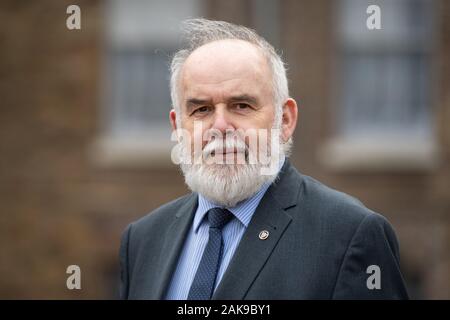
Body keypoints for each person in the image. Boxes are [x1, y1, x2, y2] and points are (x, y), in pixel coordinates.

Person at [119, 18, 409, 300]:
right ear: (178, 127)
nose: (220, 126)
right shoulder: (143, 241)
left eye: (241, 105)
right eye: (201, 110)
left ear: (285, 120)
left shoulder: (349, 236)